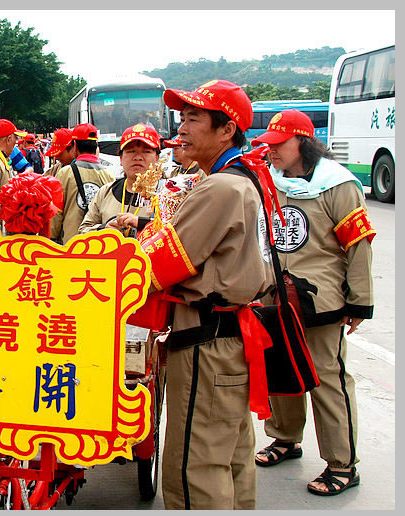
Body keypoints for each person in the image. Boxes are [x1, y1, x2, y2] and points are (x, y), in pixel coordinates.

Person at [140, 79, 275, 509]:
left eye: (194, 117)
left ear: (227, 130)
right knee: (230, 457)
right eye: (182, 117)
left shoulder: (219, 188)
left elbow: (157, 268)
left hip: (206, 341)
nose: (182, 127)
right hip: (230, 336)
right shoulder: (246, 179)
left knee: (193, 467)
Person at [250, 109, 373, 496]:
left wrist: (359, 302)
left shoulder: (339, 186)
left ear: (302, 142)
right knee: (280, 370)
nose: (271, 153)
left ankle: (342, 463)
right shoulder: (269, 180)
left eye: (278, 145)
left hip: (320, 301)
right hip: (275, 295)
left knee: (327, 380)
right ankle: (285, 438)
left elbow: (358, 245)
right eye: (267, 146)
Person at [79, 124, 161, 237]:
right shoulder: (106, 192)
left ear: (157, 158)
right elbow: (83, 229)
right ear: (121, 158)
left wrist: (141, 223)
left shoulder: (167, 193)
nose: (138, 157)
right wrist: (103, 229)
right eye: (131, 151)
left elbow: (176, 231)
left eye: (146, 151)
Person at [49, 123, 113, 244]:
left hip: (71, 245)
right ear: (96, 146)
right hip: (98, 245)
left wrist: (51, 238)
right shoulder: (109, 175)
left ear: (75, 146)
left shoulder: (65, 173)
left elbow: (56, 213)